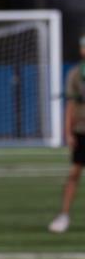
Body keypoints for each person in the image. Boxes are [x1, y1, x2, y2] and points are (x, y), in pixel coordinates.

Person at [49, 35, 85, 233]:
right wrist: (68, 132)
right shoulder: (75, 74)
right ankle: (64, 215)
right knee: (74, 173)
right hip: (81, 130)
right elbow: (70, 105)